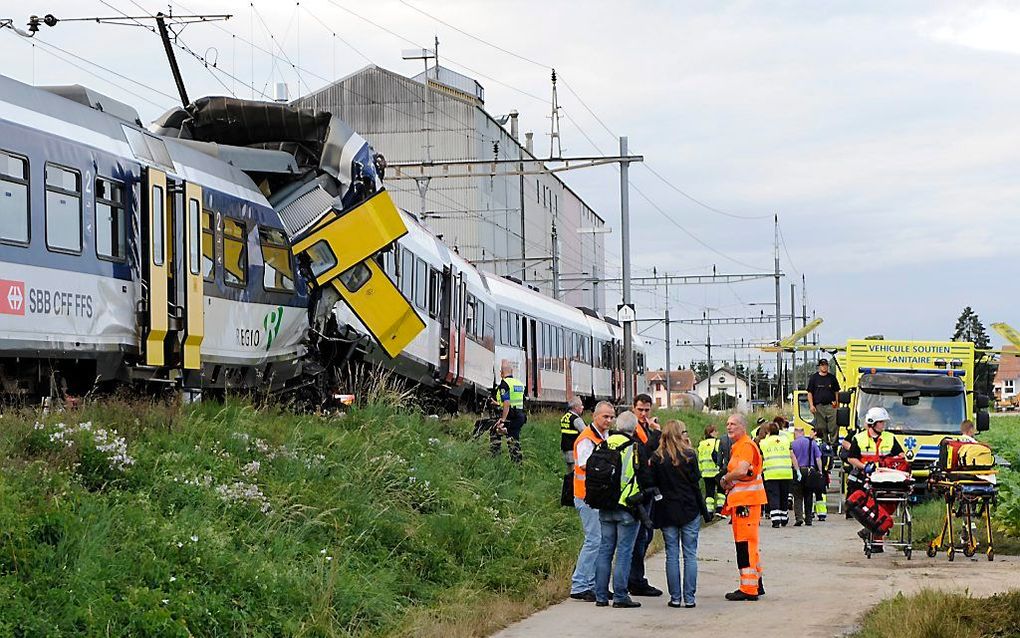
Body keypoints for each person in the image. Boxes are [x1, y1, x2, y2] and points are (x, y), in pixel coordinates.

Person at [650, 420, 711, 608]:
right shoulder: (690, 455)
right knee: (690, 555)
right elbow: (695, 480)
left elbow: (653, 483)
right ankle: (690, 598)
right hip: (689, 508)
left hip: (667, 510)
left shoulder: (657, 457)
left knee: (672, 554)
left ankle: (675, 598)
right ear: (680, 434)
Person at [594, 410, 649, 608]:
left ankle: (600, 595)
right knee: (624, 552)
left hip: (604, 506)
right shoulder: (635, 447)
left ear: (617, 425)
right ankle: (620, 596)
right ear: (634, 428)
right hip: (627, 507)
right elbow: (645, 476)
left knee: (605, 550)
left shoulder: (603, 444)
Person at [569, 401, 613, 602]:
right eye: (605, 417)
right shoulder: (586, 439)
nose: (609, 421)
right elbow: (587, 465)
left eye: (611, 417)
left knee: (599, 541)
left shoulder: (603, 436)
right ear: (595, 416)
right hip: (586, 497)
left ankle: (593, 585)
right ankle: (579, 585)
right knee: (594, 540)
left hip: (596, 497)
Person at [719, 413, 767, 601]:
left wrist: (725, 479)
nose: (729, 427)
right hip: (743, 502)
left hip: (746, 503)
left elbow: (740, 470)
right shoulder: (738, 446)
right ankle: (756, 582)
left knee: (745, 545)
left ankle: (748, 588)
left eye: (733, 424)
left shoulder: (746, 446)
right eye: (728, 424)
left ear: (743, 427)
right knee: (748, 544)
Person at [846, 406, 904, 552]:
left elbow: (901, 455)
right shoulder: (859, 439)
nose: (884, 425)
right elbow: (851, 458)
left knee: (888, 506)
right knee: (874, 507)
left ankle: (870, 532)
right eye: (881, 422)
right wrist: (864, 466)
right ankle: (876, 541)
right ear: (873, 423)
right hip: (868, 479)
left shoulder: (890, 438)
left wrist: (892, 464)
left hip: (887, 479)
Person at [627, 393, 663, 598]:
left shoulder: (647, 428)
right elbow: (643, 453)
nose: (643, 413)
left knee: (645, 535)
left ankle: (636, 579)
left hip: (649, 488)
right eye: (640, 409)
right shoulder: (630, 429)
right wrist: (656, 436)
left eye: (646, 410)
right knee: (639, 537)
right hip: (637, 490)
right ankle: (636, 581)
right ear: (633, 409)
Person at [760, 421, 797, 527]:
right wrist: (796, 469)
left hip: (771, 474)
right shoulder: (786, 441)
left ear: (768, 431)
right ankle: (784, 518)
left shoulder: (764, 443)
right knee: (784, 496)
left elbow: (761, 459)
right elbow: (792, 455)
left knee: (774, 496)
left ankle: (776, 520)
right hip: (786, 473)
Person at [491, 361, 526, 463]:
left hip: (511, 415)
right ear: (512, 372)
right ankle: (517, 464)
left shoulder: (504, 384)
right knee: (513, 438)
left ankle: (498, 457)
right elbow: (519, 400)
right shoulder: (518, 383)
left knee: (501, 433)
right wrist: (498, 404)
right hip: (520, 415)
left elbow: (507, 402)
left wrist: (503, 419)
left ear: (501, 372)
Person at [791, 425, 823, 526]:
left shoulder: (793, 444)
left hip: (797, 471)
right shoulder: (812, 442)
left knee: (798, 496)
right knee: (808, 495)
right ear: (803, 432)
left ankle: (799, 517)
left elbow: (791, 458)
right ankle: (808, 518)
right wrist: (820, 471)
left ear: (795, 433)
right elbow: (818, 458)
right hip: (810, 471)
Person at [807, 358, 841, 446]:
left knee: (834, 426)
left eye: (826, 365)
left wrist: (837, 403)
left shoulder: (832, 378)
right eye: (822, 365)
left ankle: (834, 446)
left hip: (831, 406)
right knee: (821, 428)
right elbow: (810, 393)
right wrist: (811, 405)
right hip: (819, 407)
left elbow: (836, 391)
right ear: (819, 366)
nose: (824, 367)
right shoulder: (814, 378)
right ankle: (824, 445)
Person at [696, 424, 724, 514]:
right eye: (716, 431)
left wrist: (701, 470)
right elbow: (720, 456)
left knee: (709, 493)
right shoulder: (717, 442)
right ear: (711, 432)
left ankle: (709, 511)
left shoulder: (701, 444)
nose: (717, 433)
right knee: (720, 491)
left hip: (706, 473)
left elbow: (700, 459)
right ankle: (720, 509)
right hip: (717, 471)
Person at [560, 397, 587, 472]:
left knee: (569, 470)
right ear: (576, 407)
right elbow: (586, 432)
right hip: (574, 449)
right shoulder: (576, 419)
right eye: (581, 405)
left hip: (566, 447)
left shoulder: (565, 417)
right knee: (575, 472)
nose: (582, 407)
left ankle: (569, 483)